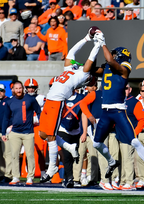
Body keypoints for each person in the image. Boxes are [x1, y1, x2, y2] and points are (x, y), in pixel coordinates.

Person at [91, 32, 144, 186]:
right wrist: (95, 48)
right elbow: (91, 69)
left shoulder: (124, 70)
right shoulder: (107, 68)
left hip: (118, 111)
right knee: (96, 144)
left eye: (117, 55)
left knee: (134, 141)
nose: (114, 56)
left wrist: (102, 42)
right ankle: (111, 162)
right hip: (105, 112)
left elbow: (110, 60)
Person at [38, 28, 101, 183]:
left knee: (52, 136)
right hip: (49, 100)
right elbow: (71, 52)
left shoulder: (83, 74)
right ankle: (69, 147)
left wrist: (98, 44)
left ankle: (52, 167)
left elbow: (90, 60)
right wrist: (86, 38)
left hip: (57, 101)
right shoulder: (70, 69)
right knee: (43, 134)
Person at [2, 81, 41, 185]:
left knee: (30, 155)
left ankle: (30, 177)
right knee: (14, 155)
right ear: (13, 90)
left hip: (28, 132)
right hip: (15, 132)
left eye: (20, 88)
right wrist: (3, 133)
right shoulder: (10, 102)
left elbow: (39, 112)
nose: (18, 90)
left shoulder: (31, 99)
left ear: (23, 88)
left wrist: (41, 125)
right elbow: (5, 118)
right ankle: (15, 176)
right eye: (16, 88)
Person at [117, 83, 144, 190]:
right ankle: (123, 180)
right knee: (121, 159)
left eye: (125, 88)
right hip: (118, 134)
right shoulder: (118, 101)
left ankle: (129, 182)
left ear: (129, 89)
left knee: (128, 159)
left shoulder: (134, 102)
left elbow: (142, 119)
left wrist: (134, 133)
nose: (123, 90)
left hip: (128, 135)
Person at [59, 91, 85, 188]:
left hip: (76, 130)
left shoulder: (82, 97)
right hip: (62, 129)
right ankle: (70, 178)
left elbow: (84, 114)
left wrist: (84, 131)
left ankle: (66, 177)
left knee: (73, 155)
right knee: (66, 155)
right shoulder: (61, 96)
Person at [24, 78, 47, 179]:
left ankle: (42, 172)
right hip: (26, 127)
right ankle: (28, 173)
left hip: (37, 127)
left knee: (40, 151)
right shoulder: (22, 98)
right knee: (27, 151)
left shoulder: (42, 98)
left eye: (32, 87)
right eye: (29, 87)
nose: (31, 89)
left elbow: (45, 112)